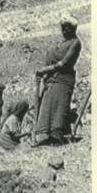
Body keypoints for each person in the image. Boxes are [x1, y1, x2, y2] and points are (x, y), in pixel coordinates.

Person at [34, 17, 82, 146]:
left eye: (68, 28)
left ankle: (57, 136)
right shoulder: (61, 43)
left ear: (73, 29)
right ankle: (49, 134)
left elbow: (63, 63)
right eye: (63, 28)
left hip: (63, 80)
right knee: (48, 106)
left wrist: (44, 70)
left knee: (59, 107)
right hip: (51, 80)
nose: (65, 31)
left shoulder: (75, 43)